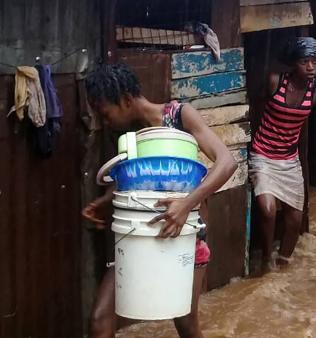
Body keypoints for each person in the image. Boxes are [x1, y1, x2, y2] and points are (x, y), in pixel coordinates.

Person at [82, 63, 237, 338]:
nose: (104, 122)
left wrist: (186, 205)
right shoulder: (127, 135)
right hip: (136, 232)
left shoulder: (179, 116)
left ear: (127, 100)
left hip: (185, 231)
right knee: (100, 320)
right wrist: (106, 201)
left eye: (105, 114)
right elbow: (136, 182)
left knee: (185, 322)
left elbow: (227, 163)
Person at [250, 37, 316, 273]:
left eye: (314, 62)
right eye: (304, 62)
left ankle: (284, 264)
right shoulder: (275, 81)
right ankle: (267, 260)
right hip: (263, 154)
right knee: (267, 210)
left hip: (289, 159)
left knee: (295, 219)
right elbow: (254, 109)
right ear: (293, 64)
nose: (310, 67)